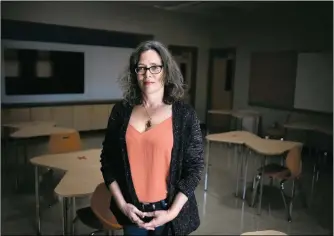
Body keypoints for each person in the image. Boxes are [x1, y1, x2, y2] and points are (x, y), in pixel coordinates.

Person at [100, 40, 204, 236]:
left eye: (155, 67)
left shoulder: (185, 115)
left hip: (168, 211)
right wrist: (123, 206)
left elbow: (195, 168)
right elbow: (107, 161)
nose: (148, 74)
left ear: (166, 70)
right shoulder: (121, 112)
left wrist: (172, 213)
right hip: (132, 211)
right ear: (134, 73)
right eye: (141, 68)